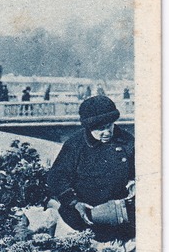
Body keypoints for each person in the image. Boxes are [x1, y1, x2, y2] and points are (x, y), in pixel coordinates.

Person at [47, 95, 135, 243]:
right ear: (89, 127)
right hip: (81, 219)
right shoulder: (75, 145)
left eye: (109, 126)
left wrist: (134, 183)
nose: (107, 132)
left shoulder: (127, 141)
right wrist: (74, 203)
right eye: (100, 129)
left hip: (119, 218)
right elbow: (56, 177)